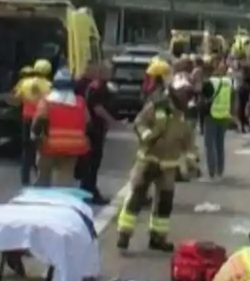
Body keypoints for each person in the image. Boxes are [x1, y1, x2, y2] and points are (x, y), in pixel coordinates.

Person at [116, 77, 198, 252]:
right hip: (149, 159)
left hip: (169, 164)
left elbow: (189, 140)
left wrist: (192, 160)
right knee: (137, 196)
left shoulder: (186, 114)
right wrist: (147, 135)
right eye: (184, 92)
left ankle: (158, 238)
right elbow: (139, 122)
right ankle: (124, 234)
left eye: (189, 93)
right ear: (175, 91)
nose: (187, 97)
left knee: (165, 202)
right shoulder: (158, 106)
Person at [30, 68, 90, 187]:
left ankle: (42, 194)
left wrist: (35, 138)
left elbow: (38, 122)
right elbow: (88, 122)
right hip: (73, 148)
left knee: (43, 178)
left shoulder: (46, 102)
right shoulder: (80, 102)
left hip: (49, 147)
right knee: (65, 181)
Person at [76, 60, 116, 205]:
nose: (111, 73)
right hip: (94, 129)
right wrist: (112, 121)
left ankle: (88, 190)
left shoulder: (100, 86)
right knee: (92, 162)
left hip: (96, 128)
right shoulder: (97, 87)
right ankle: (89, 191)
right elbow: (97, 108)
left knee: (92, 163)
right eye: (108, 71)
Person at [13, 59, 52, 186]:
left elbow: (16, 101)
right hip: (42, 120)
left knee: (27, 151)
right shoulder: (49, 85)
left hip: (27, 119)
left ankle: (25, 180)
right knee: (42, 150)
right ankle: (41, 178)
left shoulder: (23, 83)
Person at [201, 58, 233, 180]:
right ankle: (220, 170)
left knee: (210, 144)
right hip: (224, 115)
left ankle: (212, 172)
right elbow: (232, 97)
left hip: (212, 115)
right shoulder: (228, 82)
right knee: (220, 144)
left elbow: (203, 95)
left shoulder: (210, 82)